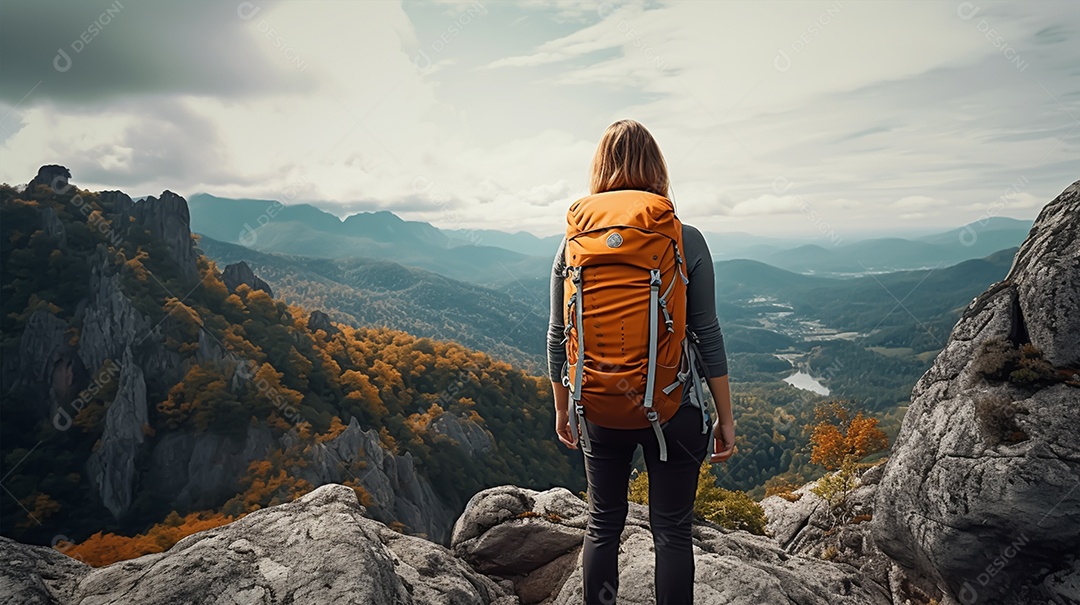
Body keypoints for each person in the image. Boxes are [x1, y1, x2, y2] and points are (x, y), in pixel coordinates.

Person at [546, 119, 736, 605]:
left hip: (598, 408)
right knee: (671, 530)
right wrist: (725, 416)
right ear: (657, 168)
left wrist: (564, 409)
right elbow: (707, 334)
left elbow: (556, 335)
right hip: (674, 410)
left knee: (602, 524)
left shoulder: (572, 244)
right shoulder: (683, 237)